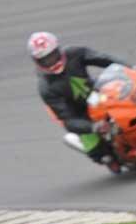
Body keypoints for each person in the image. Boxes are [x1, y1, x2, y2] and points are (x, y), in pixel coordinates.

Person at [27, 31, 126, 173]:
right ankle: (105, 156)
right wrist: (94, 127)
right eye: (45, 60)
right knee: (100, 152)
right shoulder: (46, 88)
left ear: (58, 50)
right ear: (37, 61)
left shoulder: (75, 53)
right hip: (75, 113)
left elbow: (104, 59)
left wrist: (131, 68)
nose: (51, 62)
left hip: (94, 95)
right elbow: (67, 120)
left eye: (53, 56)